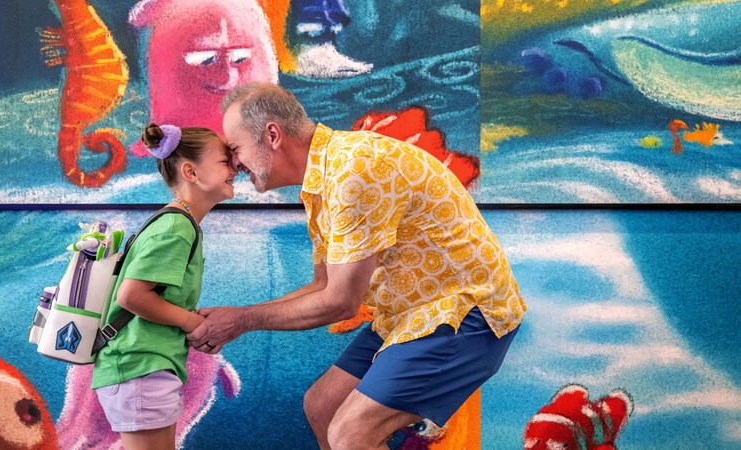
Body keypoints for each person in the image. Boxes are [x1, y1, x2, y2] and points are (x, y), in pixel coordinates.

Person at [188, 82, 526, 449]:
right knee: (323, 407)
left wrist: (241, 321)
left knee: (350, 433)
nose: (234, 163)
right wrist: (236, 316)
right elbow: (323, 286)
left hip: (466, 315)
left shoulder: (354, 170)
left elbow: (341, 302)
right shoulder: (323, 180)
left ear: (272, 135)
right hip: (411, 317)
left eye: (236, 148)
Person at [91, 123, 237, 450]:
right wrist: (192, 322)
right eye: (225, 161)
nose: (236, 168)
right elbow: (131, 295)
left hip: (142, 367)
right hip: (140, 367)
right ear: (191, 171)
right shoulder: (176, 227)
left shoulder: (176, 223)